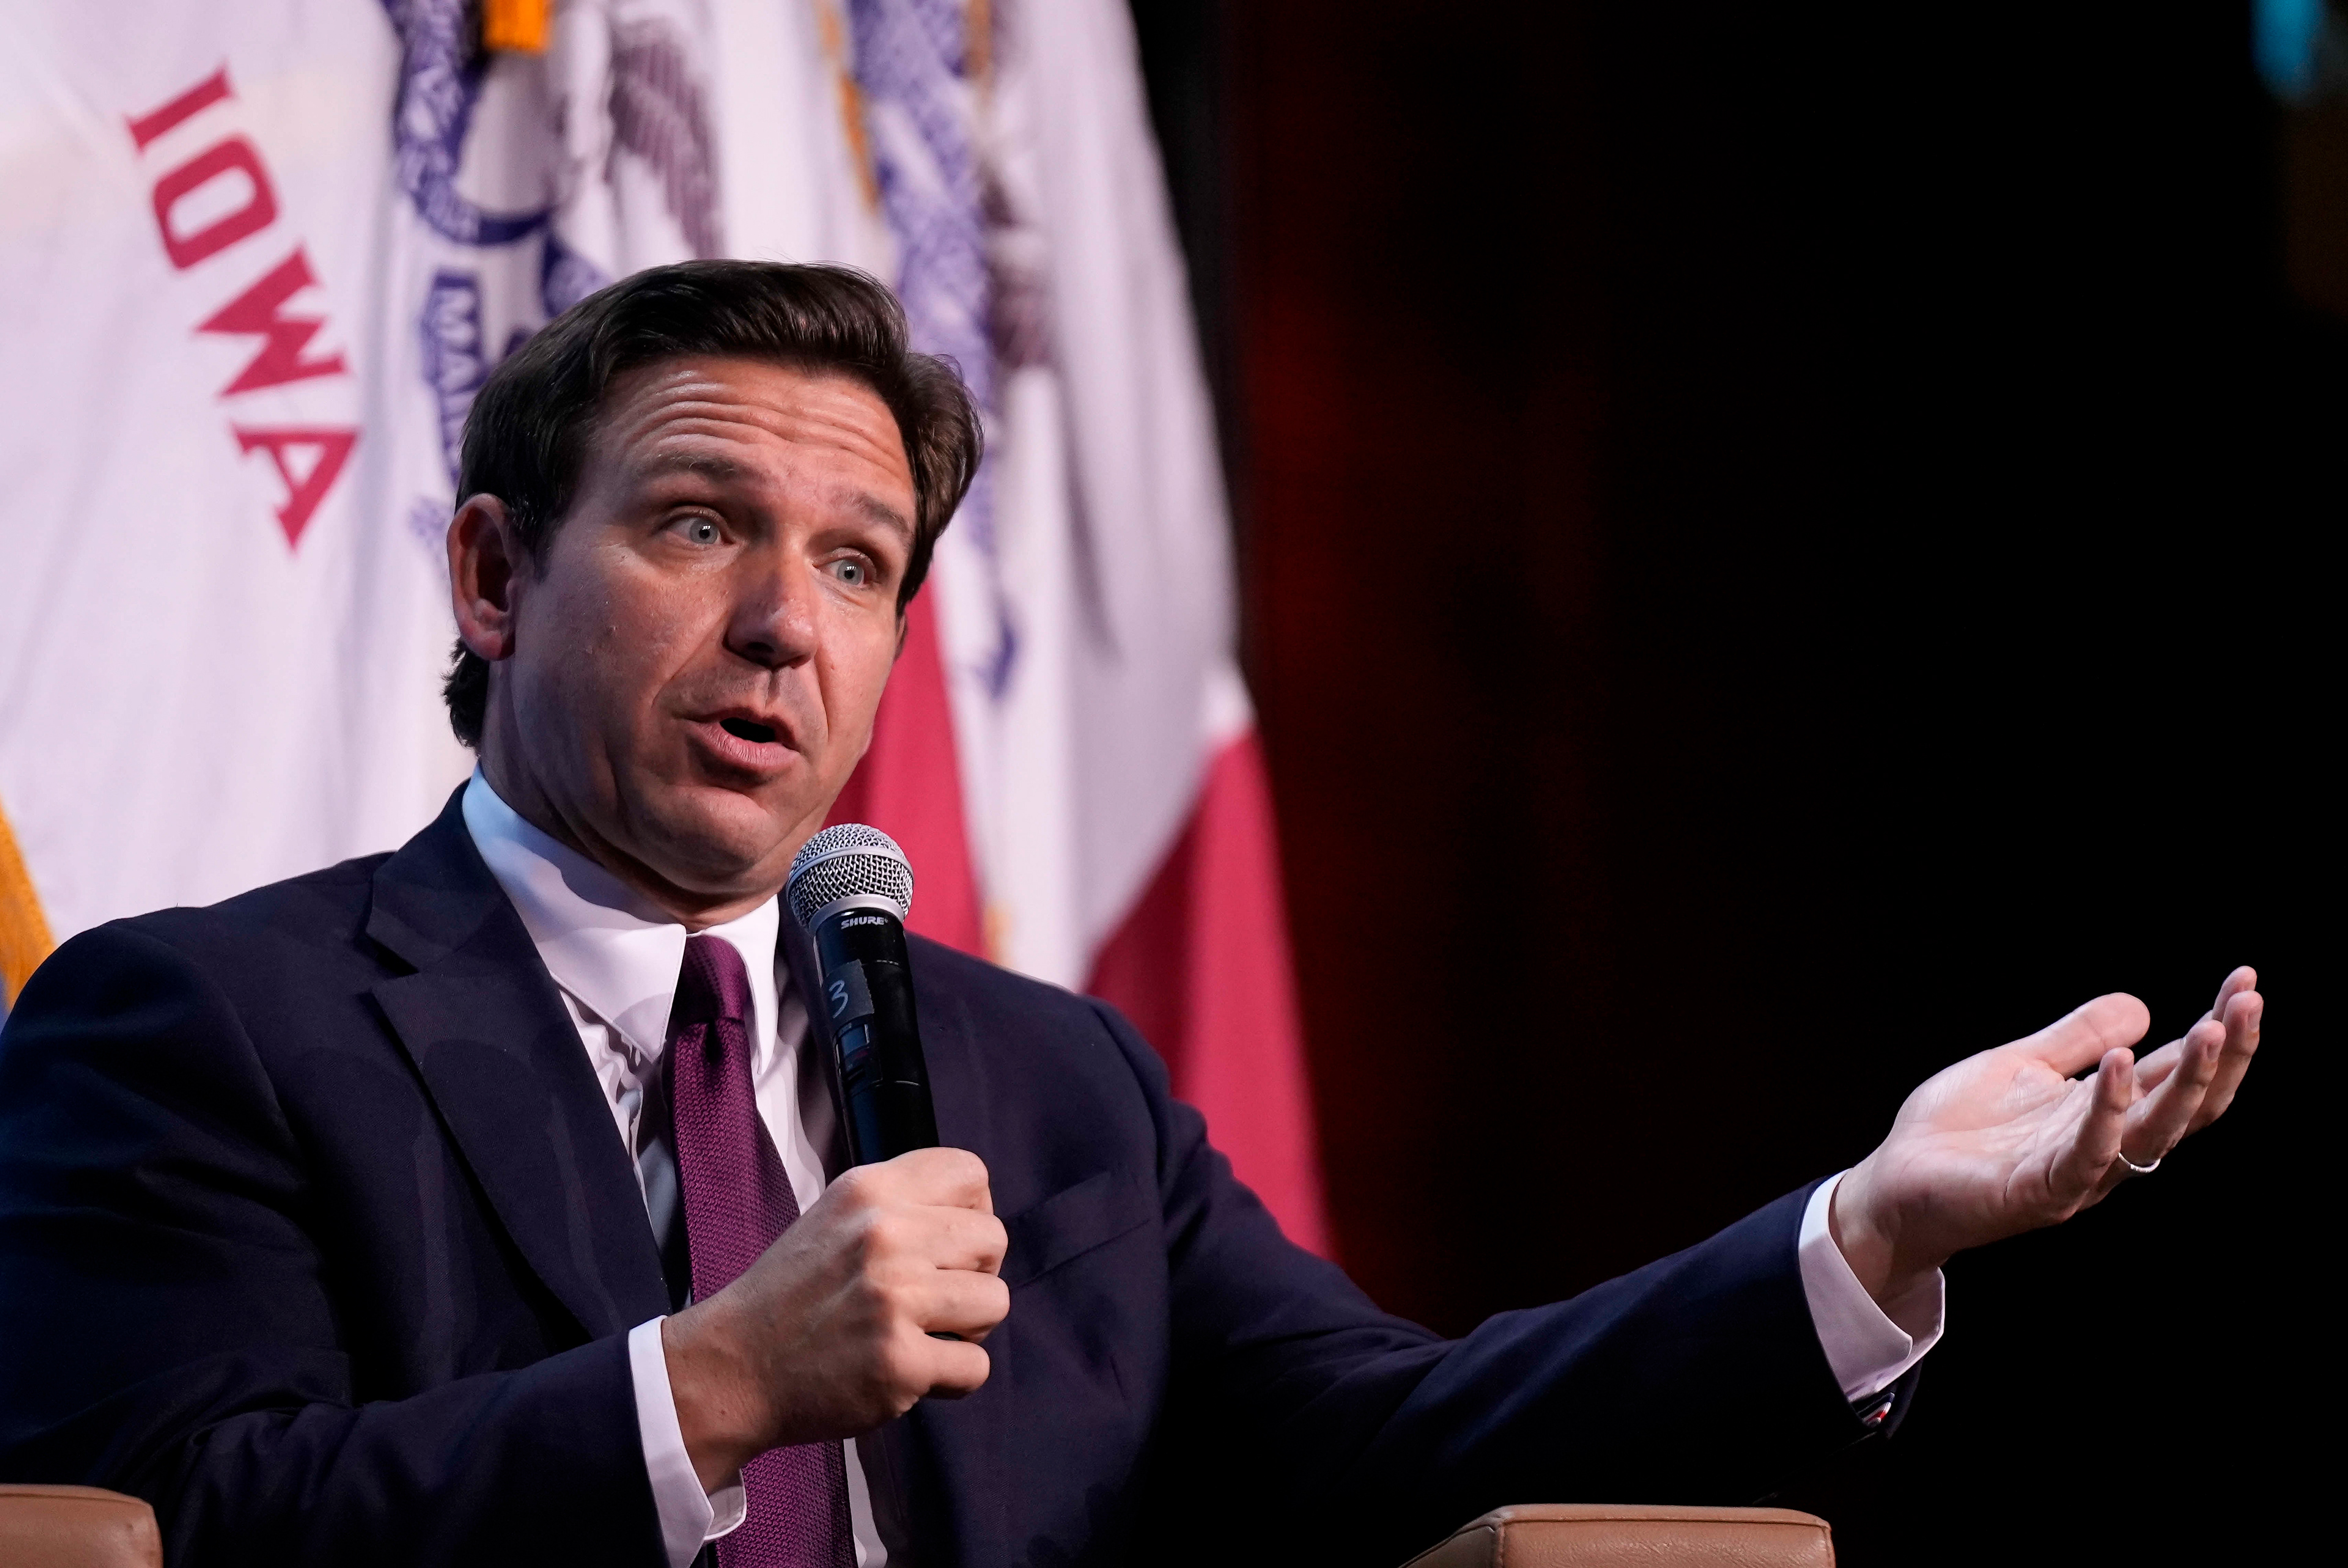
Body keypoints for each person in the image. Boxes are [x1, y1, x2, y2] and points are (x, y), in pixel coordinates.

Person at [0, 262, 2263, 1568]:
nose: (789, 627)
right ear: (494, 577)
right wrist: (709, 1387)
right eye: (701, 525)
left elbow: (1398, 1448)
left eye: (862, 565)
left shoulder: (1041, 1078)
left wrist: (1867, 1233)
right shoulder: (201, 1020)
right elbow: (177, 1525)